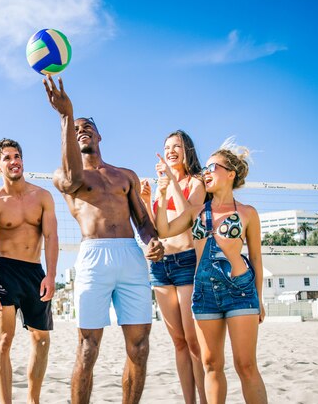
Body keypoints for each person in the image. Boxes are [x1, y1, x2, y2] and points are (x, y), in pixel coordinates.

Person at [43, 76, 165, 404]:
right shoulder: (66, 174)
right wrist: (66, 117)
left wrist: (152, 240)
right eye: (76, 128)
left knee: (139, 349)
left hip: (130, 256)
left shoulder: (125, 175)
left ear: (99, 135)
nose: (82, 130)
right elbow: (69, 180)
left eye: (87, 127)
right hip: (94, 257)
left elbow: (142, 221)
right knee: (87, 349)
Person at [154, 138, 267, 404]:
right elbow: (164, 230)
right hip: (204, 294)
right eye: (204, 169)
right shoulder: (195, 212)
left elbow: (257, 259)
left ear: (231, 174)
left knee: (246, 366)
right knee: (211, 365)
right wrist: (162, 193)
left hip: (241, 291)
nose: (206, 173)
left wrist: (259, 298)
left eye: (212, 167)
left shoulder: (248, 213)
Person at [0, 138, 58, 404]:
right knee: (4, 340)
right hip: (5, 270)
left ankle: (33, 400)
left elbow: (51, 237)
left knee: (42, 340)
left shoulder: (42, 196)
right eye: (7, 158)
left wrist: (51, 275)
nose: (14, 161)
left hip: (36, 271)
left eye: (17, 156)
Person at [140, 131, 207, 404]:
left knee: (193, 342)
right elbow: (157, 229)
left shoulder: (196, 182)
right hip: (161, 266)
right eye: (167, 147)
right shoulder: (162, 185)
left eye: (176, 146)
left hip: (187, 262)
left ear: (187, 150)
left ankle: (205, 399)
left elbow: (188, 216)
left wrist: (170, 183)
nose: (170, 150)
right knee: (178, 342)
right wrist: (148, 199)